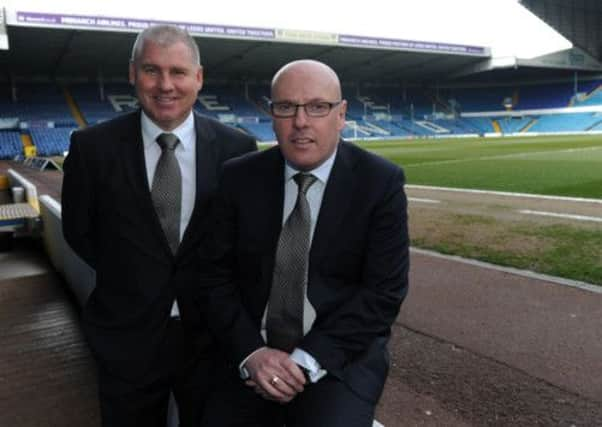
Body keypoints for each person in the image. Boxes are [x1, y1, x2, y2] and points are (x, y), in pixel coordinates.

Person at [61, 25, 256, 427]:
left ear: (198, 78)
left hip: (211, 340)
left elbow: (242, 243)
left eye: (178, 72)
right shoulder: (91, 148)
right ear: (133, 74)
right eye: (152, 70)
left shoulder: (237, 149)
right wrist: (134, 277)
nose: (165, 85)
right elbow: (79, 233)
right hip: (125, 341)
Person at [197, 59, 409, 427]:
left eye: (317, 107)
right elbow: (213, 278)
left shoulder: (380, 183)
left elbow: (383, 294)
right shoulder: (238, 179)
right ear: (271, 113)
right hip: (250, 353)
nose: (300, 122)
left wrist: (302, 362)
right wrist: (251, 353)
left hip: (338, 357)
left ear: (341, 115)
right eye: (286, 107)